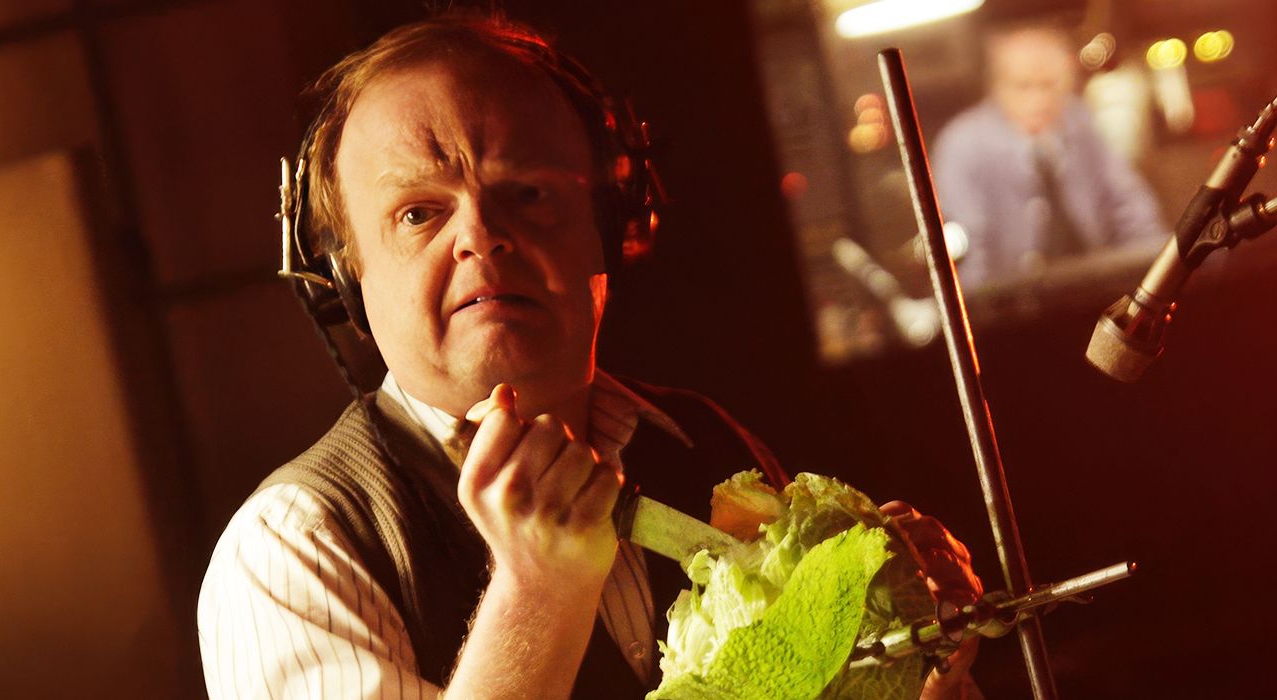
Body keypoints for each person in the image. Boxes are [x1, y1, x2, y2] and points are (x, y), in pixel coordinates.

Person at [198, 13, 981, 699]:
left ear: (613, 224)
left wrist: (917, 657)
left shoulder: (702, 444)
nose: (480, 235)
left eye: (529, 193)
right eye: (417, 212)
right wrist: (538, 592)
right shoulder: (295, 548)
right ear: (344, 277)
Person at [932, 25, 1167, 288]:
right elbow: (969, 247)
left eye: (1049, 86)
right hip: (1011, 303)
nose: (1038, 100)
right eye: (1023, 87)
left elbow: (1132, 209)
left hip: (1089, 287)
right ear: (996, 86)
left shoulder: (1082, 124)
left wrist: (1158, 279)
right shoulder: (962, 144)